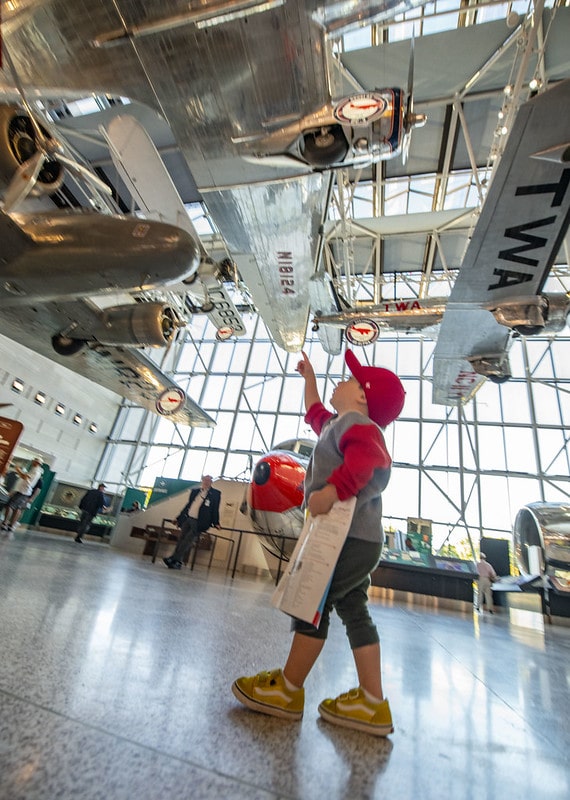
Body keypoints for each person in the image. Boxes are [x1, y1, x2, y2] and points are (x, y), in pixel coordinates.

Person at [232, 349, 405, 737]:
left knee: (311, 604)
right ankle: (372, 703)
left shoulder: (359, 426)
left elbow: (371, 461)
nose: (340, 381)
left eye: (351, 379)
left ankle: (288, 690)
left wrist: (332, 491)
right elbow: (313, 411)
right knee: (353, 610)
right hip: (360, 540)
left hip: (344, 536)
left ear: (362, 396)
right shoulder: (338, 424)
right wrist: (307, 377)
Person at [163, 475, 221, 570]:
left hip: (199, 522)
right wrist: (178, 518)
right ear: (202, 481)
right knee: (181, 539)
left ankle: (173, 558)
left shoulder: (215, 494)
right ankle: (176, 561)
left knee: (187, 541)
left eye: (208, 480)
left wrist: (216, 522)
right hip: (188, 518)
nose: (206, 482)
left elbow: (215, 509)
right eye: (205, 480)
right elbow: (188, 505)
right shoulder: (195, 492)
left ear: (211, 482)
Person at [1, 456, 44, 535]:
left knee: (10, 506)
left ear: (37, 463)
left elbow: (25, 478)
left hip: (23, 492)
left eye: (34, 461)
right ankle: (11, 525)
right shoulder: (34, 471)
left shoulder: (36, 471)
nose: (32, 462)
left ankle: (5, 523)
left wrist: (18, 470)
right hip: (23, 492)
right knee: (18, 508)